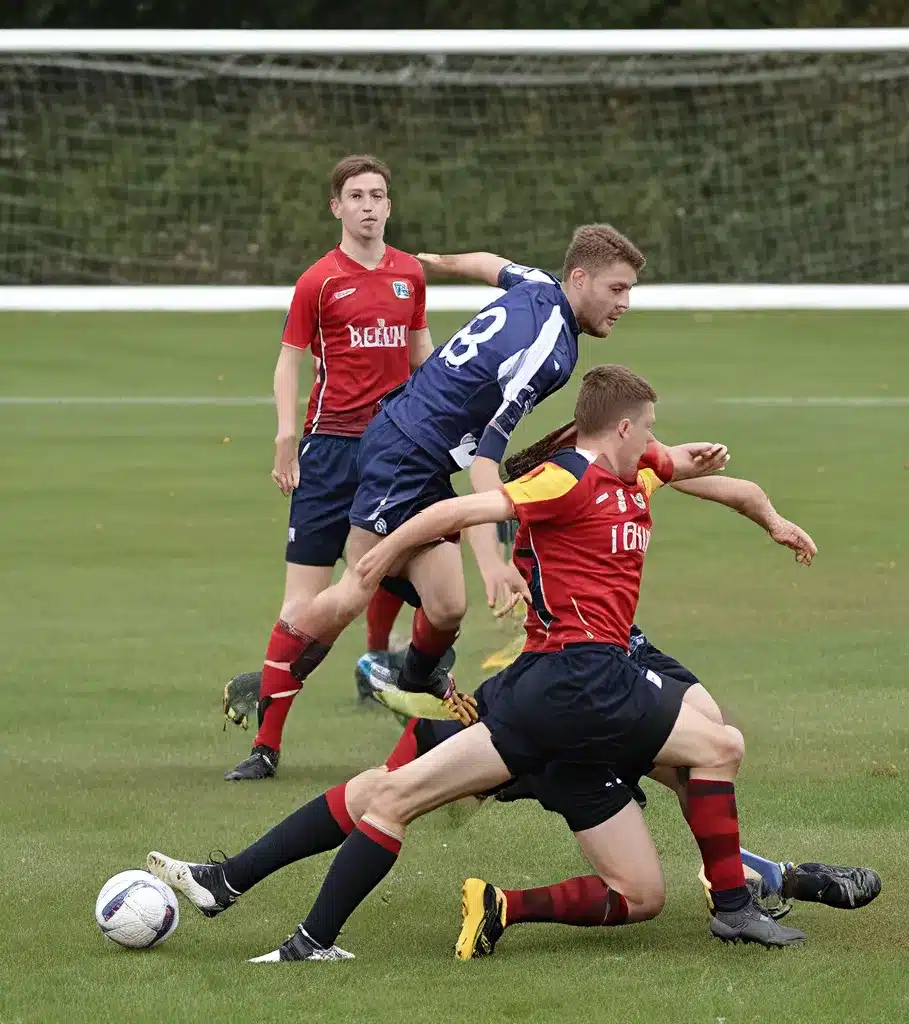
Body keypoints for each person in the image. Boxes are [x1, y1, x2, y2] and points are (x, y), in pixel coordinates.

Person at [171, 364, 814, 959]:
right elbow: (463, 508)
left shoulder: (637, 465)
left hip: (551, 704)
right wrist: (380, 556)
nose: (657, 439)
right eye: (647, 425)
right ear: (621, 427)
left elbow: (709, 475)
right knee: (718, 744)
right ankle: (735, 901)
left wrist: (771, 518)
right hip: (579, 684)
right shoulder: (566, 477)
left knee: (635, 890)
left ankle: (236, 886)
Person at [245, 227, 649, 783]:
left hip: (424, 454)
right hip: (403, 449)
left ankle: (411, 680)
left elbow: (488, 262)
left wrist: (431, 260)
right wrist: (493, 562)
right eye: (617, 288)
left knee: (446, 606)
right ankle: (267, 725)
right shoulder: (550, 352)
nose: (625, 304)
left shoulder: (536, 283)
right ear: (579, 279)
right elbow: (487, 461)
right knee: (352, 589)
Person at [225, 154, 438, 782]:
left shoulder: (409, 275)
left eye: (378, 194)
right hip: (330, 451)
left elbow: (420, 351)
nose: (369, 204)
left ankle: (403, 685)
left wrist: (444, 420)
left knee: (430, 592)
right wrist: (287, 435)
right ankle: (266, 746)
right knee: (305, 602)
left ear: (389, 206)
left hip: (397, 451)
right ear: (337, 208)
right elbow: (289, 360)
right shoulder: (318, 281)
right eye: (356, 195)